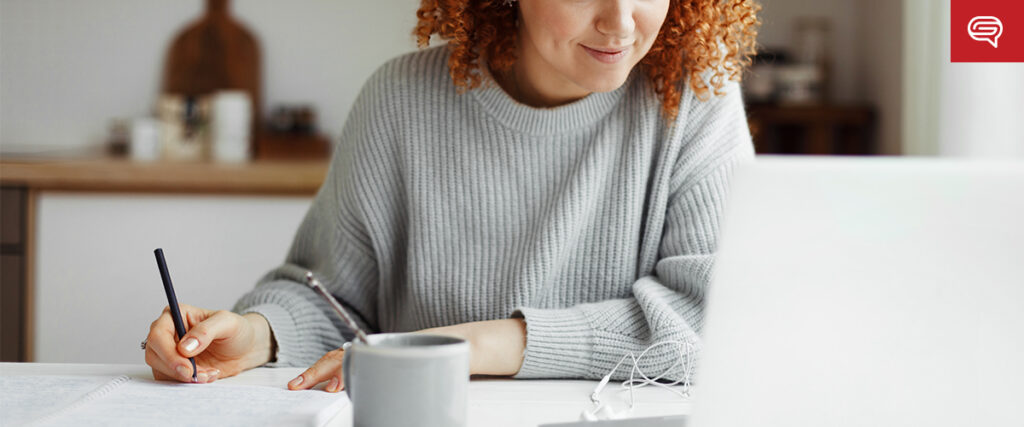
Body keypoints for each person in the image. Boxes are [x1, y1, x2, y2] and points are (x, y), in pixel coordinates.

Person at [144, 0, 760, 393]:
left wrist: (473, 346)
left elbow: (718, 318)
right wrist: (260, 333)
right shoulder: (399, 101)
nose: (621, 21)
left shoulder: (696, 97)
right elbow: (333, 297)